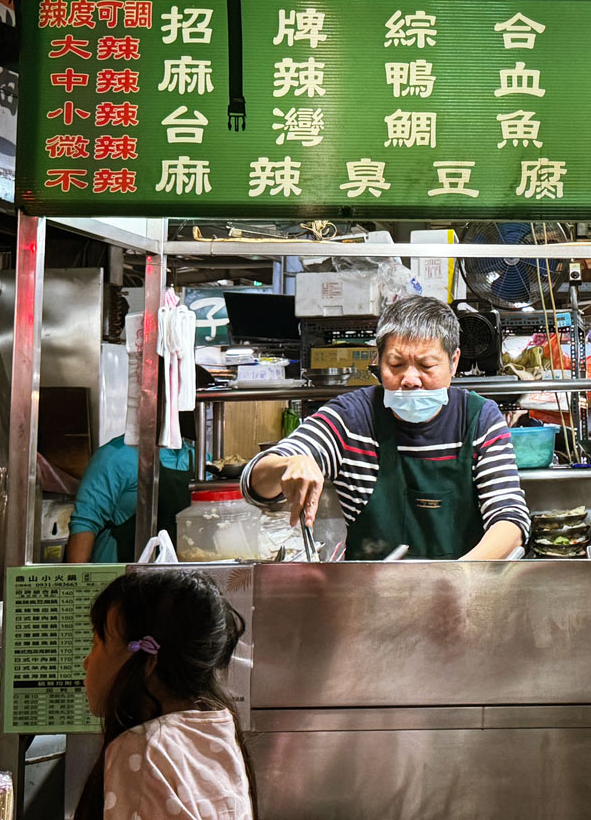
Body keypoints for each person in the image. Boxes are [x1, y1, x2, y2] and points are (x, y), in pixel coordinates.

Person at [242, 295, 530, 560]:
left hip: (463, 595)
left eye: (427, 365)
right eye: (396, 364)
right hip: (369, 598)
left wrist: (457, 577)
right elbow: (255, 484)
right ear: (378, 361)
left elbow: (510, 517)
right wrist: (288, 465)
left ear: (453, 362)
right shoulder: (352, 417)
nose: (410, 379)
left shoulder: (479, 418)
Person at [75, 570, 254, 820]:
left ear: (147, 661)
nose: (86, 662)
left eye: (96, 643)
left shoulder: (142, 749)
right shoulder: (216, 729)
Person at [67, 366, 214, 564]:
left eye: (207, 405)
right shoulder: (117, 456)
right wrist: (78, 590)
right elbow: (84, 524)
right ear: (168, 403)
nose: (203, 413)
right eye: (198, 404)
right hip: (120, 579)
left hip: (178, 581)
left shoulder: (198, 459)